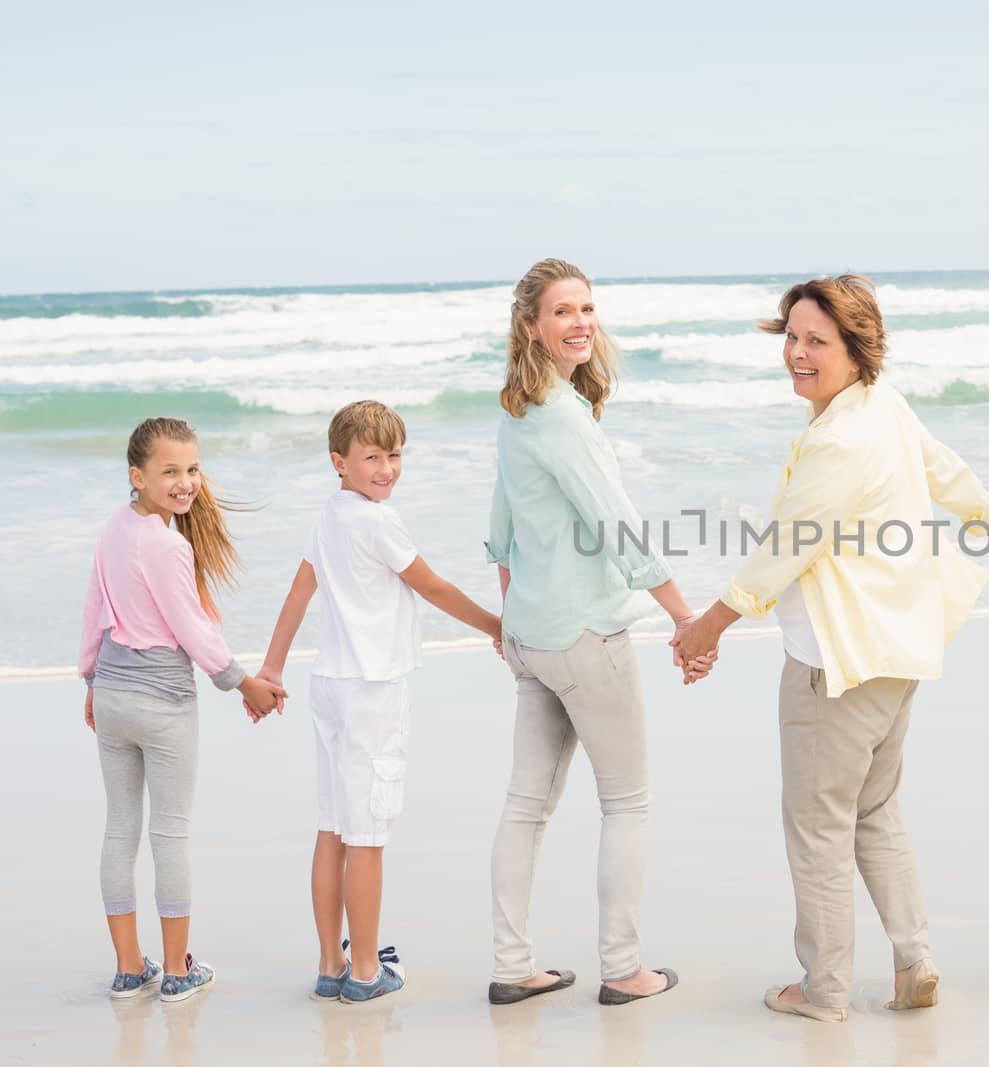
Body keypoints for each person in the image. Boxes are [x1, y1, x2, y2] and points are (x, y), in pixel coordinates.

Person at [672, 274, 989, 1022]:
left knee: (817, 827)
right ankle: (913, 962)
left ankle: (825, 988)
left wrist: (706, 626)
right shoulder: (884, 407)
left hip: (836, 665)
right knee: (874, 810)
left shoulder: (841, 437)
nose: (797, 353)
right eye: (793, 336)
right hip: (899, 654)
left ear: (855, 348)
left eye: (818, 340)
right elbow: (949, 474)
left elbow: (784, 548)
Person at [484, 258, 709, 1008]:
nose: (580, 322)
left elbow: (501, 529)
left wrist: (514, 614)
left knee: (526, 804)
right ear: (531, 326)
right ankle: (622, 967)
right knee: (627, 802)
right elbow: (620, 531)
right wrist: (686, 616)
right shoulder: (559, 418)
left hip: (534, 637)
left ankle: (513, 964)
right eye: (562, 312)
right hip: (584, 637)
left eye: (587, 308)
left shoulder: (518, 410)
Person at [256, 399, 502, 1003]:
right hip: (372, 689)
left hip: (330, 686)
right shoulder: (378, 522)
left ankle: (330, 962)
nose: (387, 469)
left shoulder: (328, 517)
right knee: (365, 834)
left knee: (332, 827)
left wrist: (272, 667)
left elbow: (297, 594)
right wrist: (495, 626)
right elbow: (433, 585)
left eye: (395, 455)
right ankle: (365, 971)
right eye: (372, 458)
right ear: (338, 462)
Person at [79, 417, 286, 1002]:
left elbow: (95, 609)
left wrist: (92, 680)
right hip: (161, 702)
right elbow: (189, 627)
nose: (185, 482)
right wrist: (240, 682)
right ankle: (175, 971)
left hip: (114, 695)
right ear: (136, 476)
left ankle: (127, 970)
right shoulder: (166, 545)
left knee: (120, 828)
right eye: (169, 471)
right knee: (169, 835)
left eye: (192, 469)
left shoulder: (112, 530)